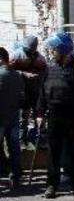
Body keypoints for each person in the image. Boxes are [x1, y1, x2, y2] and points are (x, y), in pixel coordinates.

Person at [36, 32, 74, 198]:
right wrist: (40, 113)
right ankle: (52, 186)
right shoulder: (49, 67)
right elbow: (42, 91)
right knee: (53, 151)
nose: (51, 52)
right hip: (54, 114)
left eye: (54, 49)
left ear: (63, 50)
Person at [9, 36, 46, 145]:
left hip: (36, 92)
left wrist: (39, 77)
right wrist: (24, 74)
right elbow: (8, 71)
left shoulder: (40, 58)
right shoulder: (16, 55)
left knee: (38, 115)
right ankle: (22, 140)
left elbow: (45, 72)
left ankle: (40, 139)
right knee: (23, 117)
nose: (31, 50)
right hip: (22, 92)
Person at [0, 47, 25, 190]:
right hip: (14, 116)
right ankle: (15, 175)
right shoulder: (17, 75)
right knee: (14, 148)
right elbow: (22, 98)